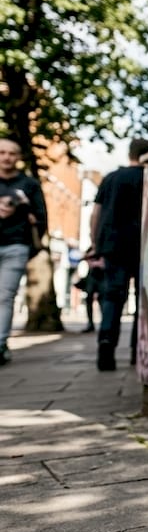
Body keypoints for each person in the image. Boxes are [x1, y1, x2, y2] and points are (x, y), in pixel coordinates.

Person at [92, 138, 148, 371]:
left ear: (130, 153)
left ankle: (106, 350)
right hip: (145, 246)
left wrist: (95, 243)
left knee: (112, 298)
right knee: (143, 301)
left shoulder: (111, 178)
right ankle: (138, 353)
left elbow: (96, 214)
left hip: (113, 246)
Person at [0, 138, 48, 366]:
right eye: (2, 153)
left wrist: (29, 247)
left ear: (18, 157)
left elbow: (41, 218)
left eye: (11, 153)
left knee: (4, 297)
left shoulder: (29, 185)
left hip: (16, 246)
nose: (6, 157)